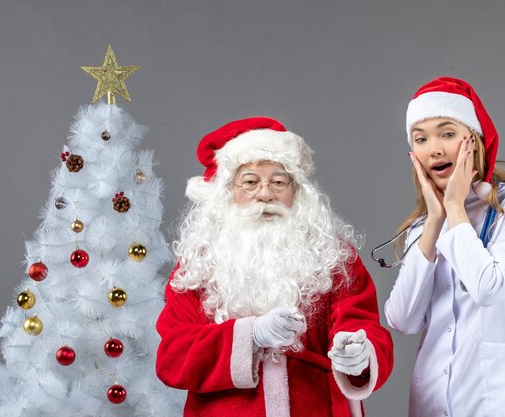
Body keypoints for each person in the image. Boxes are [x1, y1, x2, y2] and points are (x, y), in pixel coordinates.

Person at [156, 117, 393, 417]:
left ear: (297, 191)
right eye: (251, 181)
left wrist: (359, 353)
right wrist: (250, 335)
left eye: (279, 181)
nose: (265, 194)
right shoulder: (199, 266)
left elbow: (363, 323)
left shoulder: (333, 255)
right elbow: (173, 356)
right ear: (227, 192)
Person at [384, 77, 505, 417]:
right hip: (431, 402)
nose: (434, 148)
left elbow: (489, 287)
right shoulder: (424, 227)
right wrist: (435, 219)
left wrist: (455, 208)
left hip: (502, 400)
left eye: (447, 133)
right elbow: (402, 319)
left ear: (473, 139)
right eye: (421, 139)